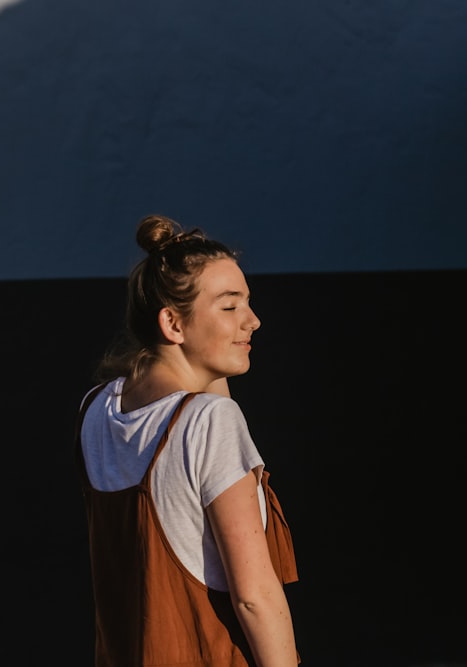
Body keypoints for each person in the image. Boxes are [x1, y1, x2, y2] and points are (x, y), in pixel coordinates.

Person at [74, 214, 300, 666]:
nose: (252, 321)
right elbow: (253, 596)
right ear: (172, 324)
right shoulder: (210, 422)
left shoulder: (98, 409)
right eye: (230, 306)